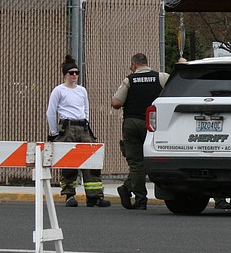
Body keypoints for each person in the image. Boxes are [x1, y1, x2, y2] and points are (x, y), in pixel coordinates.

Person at [46, 55, 109, 207]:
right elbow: (51, 112)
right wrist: (54, 132)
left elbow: (86, 109)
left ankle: (94, 196)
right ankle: (69, 195)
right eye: (71, 73)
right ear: (65, 74)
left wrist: (86, 124)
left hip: (82, 127)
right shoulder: (59, 90)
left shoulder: (82, 91)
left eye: (76, 72)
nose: (74, 75)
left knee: (91, 160)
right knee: (69, 163)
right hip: (67, 128)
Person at [110, 52, 170, 210]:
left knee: (136, 163)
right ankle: (128, 188)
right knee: (153, 159)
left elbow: (116, 102)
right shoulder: (161, 77)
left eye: (131, 66)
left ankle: (139, 198)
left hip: (132, 123)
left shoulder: (129, 80)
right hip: (154, 124)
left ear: (135, 65)